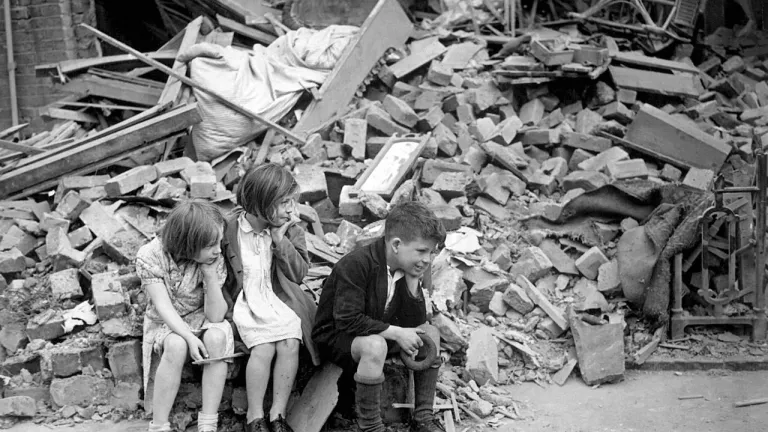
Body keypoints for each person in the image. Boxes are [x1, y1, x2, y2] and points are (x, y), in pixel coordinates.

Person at [312, 201, 447, 432]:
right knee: (375, 346)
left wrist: (413, 283)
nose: (427, 259)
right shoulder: (356, 264)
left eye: (431, 253)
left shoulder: (408, 266)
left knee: (430, 333)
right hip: (339, 338)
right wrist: (396, 333)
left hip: (378, 331)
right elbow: (347, 319)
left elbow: (414, 323)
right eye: (422, 251)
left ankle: (423, 417)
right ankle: (371, 426)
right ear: (396, 244)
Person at [221, 163, 320, 432]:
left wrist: (279, 240)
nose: (291, 210)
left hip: (277, 298)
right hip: (244, 300)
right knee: (263, 346)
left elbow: (298, 274)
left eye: (292, 202)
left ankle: (278, 415)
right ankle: (254, 416)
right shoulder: (229, 229)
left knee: (290, 341)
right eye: (284, 202)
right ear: (261, 202)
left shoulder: (290, 230)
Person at [136, 200, 233, 432]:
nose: (218, 250)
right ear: (189, 242)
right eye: (211, 245)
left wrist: (210, 275)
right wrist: (189, 337)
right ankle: (159, 425)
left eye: (219, 242)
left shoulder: (212, 259)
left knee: (217, 338)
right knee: (176, 345)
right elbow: (163, 306)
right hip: (166, 320)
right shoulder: (150, 255)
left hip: (201, 314)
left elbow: (216, 316)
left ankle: (208, 423)